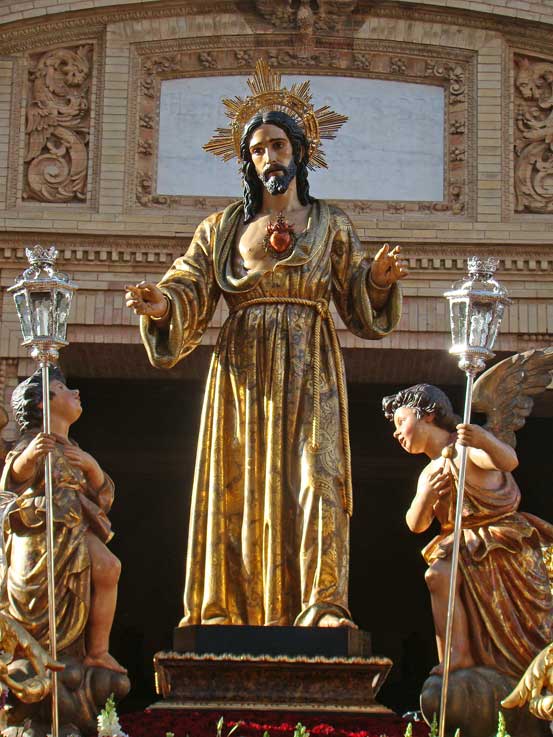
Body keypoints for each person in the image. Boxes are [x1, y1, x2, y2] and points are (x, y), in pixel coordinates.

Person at [126, 60, 407, 627]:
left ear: (298, 152)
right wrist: (163, 306)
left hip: (310, 359)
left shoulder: (331, 224)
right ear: (248, 162)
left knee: (318, 478)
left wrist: (375, 283)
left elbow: (358, 302)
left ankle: (323, 605)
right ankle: (225, 609)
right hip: (243, 367)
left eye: (278, 145)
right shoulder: (222, 228)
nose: (269, 157)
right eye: (257, 150)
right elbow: (189, 283)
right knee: (238, 482)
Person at [382, 383, 553, 677]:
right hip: (461, 546)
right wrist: (427, 497)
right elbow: (416, 524)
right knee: (437, 575)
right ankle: (455, 655)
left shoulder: (466, 449)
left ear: (428, 415)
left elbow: (508, 461)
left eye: (401, 421)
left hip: (501, 542)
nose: (397, 433)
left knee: (524, 629)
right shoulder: (429, 473)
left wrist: (485, 440)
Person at [0, 368, 126, 673]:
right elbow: (11, 479)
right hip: (40, 530)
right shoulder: (32, 442)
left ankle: (98, 651)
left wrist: (93, 468)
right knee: (38, 600)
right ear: (42, 403)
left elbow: (102, 497)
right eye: (62, 388)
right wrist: (30, 457)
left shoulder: (75, 451)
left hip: (75, 526)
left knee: (109, 567)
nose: (75, 393)